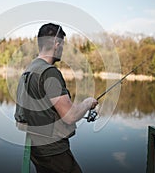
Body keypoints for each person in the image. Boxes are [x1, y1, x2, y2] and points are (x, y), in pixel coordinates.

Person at [15, 23, 98, 173]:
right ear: (56, 44)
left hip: (35, 147)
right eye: (63, 45)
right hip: (53, 152)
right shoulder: (49, 73)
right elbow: (70, 116)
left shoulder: (30, 69)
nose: (63, 50)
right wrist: (87, 103)